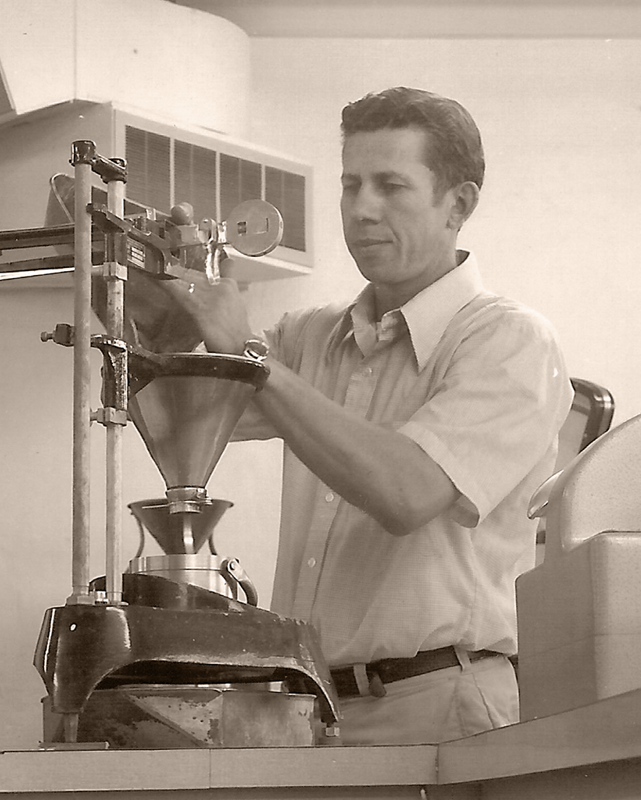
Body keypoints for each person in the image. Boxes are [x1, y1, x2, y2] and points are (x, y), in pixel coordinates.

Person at [127, 86, 574, 744]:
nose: (362, 210)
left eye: (391, 186)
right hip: (312, 707)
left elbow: (406, 492)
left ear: (460, 204)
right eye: (351, 184)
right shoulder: (309, 337)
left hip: (436, 704)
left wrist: (249, 357)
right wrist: (153, 316)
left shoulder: (510, 342)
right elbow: (176, 432)